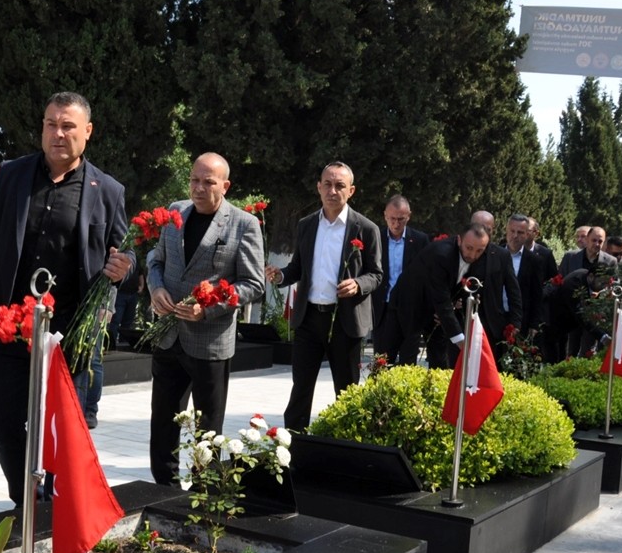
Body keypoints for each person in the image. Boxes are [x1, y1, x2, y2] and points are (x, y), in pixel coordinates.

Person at [0, 92, 131, 504]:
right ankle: (27, 499)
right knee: (3, 421)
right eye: (51, 124)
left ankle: (57, 505)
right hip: (12, 327)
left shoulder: (107, 190)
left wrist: (126, 267)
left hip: (70, 337)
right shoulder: (11, 177)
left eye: (68, 126)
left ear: (87, 133)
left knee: (65, 430)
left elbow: (125, 251)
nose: (58, 133)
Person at [145, 153, 265, 484]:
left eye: (208, 182)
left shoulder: (243, 224)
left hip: (209, 342)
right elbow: (155, 259)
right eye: (195, 180)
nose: (199, 188)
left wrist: (208, 307)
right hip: (168, 338)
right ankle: (163, 489)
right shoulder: (174, 213)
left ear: (225, 186)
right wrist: (155, 290)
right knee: (163, 423)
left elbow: (253, 283)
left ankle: (203, 495)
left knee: (208, 428)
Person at [265, 162, 381, 431]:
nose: (332, 190)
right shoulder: (306, 225)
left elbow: (376, 274)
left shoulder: (365, 228)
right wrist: (280, 276)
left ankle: (346, 444)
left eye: (339, 185)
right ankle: (293, 443)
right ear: (318, 187)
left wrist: (357, 284)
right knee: (301, 389)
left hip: (344, 320)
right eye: (327, 184)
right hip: (308, 319)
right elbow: (297, 268)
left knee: (347, 391)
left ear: (351, 190)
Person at [397, 223, 491, 369]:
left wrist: (453, 304)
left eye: (479, 250)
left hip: (439, 310)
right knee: (407, 358)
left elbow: (464, 286)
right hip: (411, 304)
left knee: (440, 359)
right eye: (469, 248)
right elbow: (440, 297)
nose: (473, 255)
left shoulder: (480, 258)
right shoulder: (442, 254)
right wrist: (461, 341)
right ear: (459, 240)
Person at [370, 194, 427, 361]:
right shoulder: (376, 238)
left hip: (410, 310)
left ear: (408, 216)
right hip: (383, 308)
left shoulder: (419, 240)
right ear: (385, 216)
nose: (396, 224)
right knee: (381, 362)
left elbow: (426, 275)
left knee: (408, 363)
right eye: (392, 219)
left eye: (401, 219)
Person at [465, 211, 523, 362]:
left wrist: (515, 322)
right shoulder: (460, 250)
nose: (483, 232)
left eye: (488, 229)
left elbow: (513, 290)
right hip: (462, 320)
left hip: (492, 324)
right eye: (479, 227)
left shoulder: (501, 255)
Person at [541, 268, 614, 363]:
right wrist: (603, 337)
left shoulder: (585, 276)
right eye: (602, 283)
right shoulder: (574, 284)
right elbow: (581, 316)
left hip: (565, 324)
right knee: (552, 357)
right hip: (552, 321)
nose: (603, 287)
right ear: (591, 276)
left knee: (562, 355)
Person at [505, 213, 546, 339]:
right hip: (494, 317)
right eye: (512, 231)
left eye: (520, 232)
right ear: (506, 231)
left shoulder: (534, 261)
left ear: (527, 235)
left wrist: (534, 324)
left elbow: (537, 294)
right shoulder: (494, 254)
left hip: (520, 321)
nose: (515, 236)